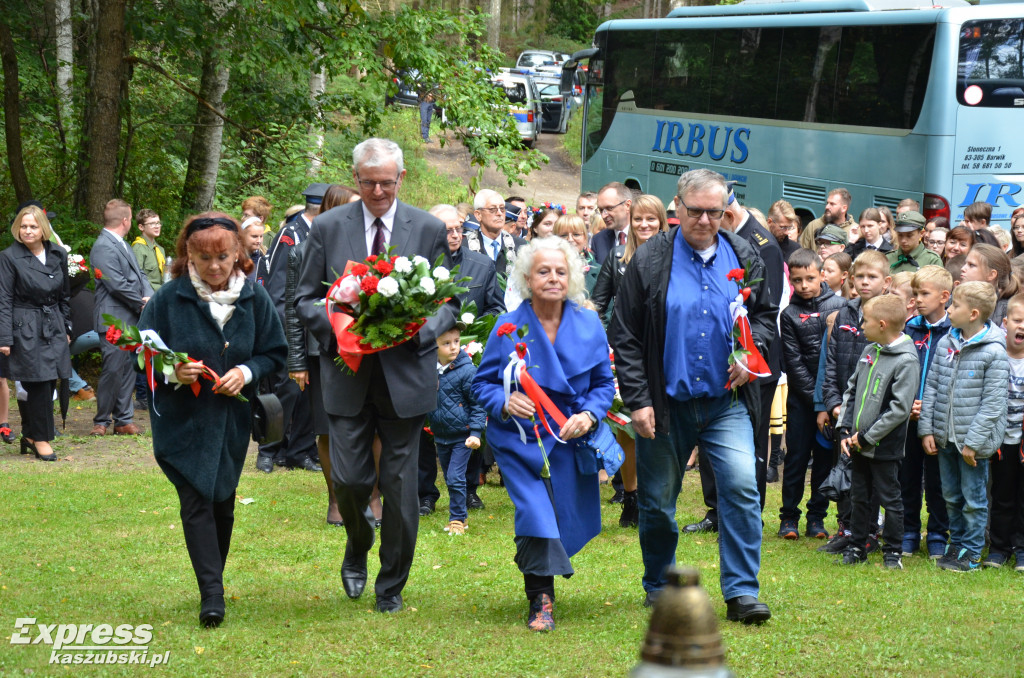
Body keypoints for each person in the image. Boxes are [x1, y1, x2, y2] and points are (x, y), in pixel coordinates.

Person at [294, 137, 454, 614]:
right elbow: (303, 298)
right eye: (368, 182)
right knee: (348, 480)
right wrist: (349, 329)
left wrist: (415, 330)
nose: (378, 191)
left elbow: (450, 302)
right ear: (356, 178)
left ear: (401, 178)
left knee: (402, 489)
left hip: (406, 376)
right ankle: (356, 544)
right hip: (346, 374)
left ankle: (391, 585)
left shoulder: (426, 228)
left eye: (387, 182)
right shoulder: (326, 227)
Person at [609, 169, 774, 623]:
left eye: (714, 212)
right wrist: (638, 400)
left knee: (741, 486)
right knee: (658, 503)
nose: (704, 220)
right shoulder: (650, 260)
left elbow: (762, 319)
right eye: (695, 211)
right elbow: (624, 334)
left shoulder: (744, 254)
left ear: (727, 210)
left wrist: (751, 353)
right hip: (664, 404)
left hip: (727, 402)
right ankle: (660, 583)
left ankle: (741, 593)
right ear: (676, 209)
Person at [139, 212, 286, 627]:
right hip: (181, 421)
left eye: (223, 256)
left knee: (222, 502)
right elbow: (142, 354)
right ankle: (212, 594)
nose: (216, 266)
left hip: (230, 422)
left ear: (238, 252)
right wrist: (172, 371)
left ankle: (212, 579)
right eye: (205, 259)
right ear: (189, 255)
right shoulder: (169, 300)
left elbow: (274, 352)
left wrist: (246, 372)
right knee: (196, 500)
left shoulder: (254, 298)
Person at [471, 237, 614, 632]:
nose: (553, 278)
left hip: (569, 437)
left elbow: (604, 384)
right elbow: (481, 384)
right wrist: (504, 402)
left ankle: (540, 580)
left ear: (572, 278)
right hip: (520, 440)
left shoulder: (589, 323)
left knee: (563, 516)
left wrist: (590, 414)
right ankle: (541, 600)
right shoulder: (508, 325)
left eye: (561, 271)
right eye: (543, 271)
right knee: (535, 515)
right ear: (527, 278)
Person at [285, 183, 362, 526]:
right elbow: (293, 309)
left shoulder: (370, 246)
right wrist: (298, 361)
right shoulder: (302, 251)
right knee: (328, 429)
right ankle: (335, 500)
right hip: (324, 351)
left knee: (369, 426)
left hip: (367, 348)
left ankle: (370, 496)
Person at [920, 281, 1009, 572]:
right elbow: (931, 386)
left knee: (973, 499)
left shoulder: (995, 351)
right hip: (945, 438)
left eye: (954, 305)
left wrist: (974, 441)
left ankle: (971, 552)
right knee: (951, 496)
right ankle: (955, 545)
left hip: (972, 445)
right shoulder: (947, 341)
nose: (949, 309)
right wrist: (927, 429)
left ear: (972, 314)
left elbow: (993, 403)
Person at [592, 195, 669, 528]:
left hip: (665, 355)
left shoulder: (674, 258)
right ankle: (632, 497)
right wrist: (603, 344)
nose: (645, 225)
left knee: (663, 425)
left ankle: (661, 495)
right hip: (625, 354)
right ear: (631, 222)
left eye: (652, 219)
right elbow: (597, 303)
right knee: (627, 426)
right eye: (639, 219)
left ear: (662, 222)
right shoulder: (617, 257)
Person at [817, 249, 892, 554]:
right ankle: (845, 528)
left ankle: (869, 531)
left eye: (871, 277)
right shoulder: (844, 314)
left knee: (869, 475)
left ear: (885, 282)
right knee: (844, 468)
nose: (864, 282)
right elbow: (832, 364)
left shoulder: (890, 316)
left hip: (873, 412)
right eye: (859, 276)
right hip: (844, 409)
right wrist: (833, 403)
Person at [836, 294, 919, 569]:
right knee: (859, 496)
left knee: (890, 498)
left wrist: (867, 436)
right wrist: (846, 429)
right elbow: (851, 389)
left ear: (882, 324)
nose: (861, 326)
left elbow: (899, 409)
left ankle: (892, 552)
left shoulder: (906, 360)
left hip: (884, 445)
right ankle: (857, 546)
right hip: (858, 441)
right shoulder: (870, 351)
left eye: (866, 321)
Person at [255, 183, 327, 474]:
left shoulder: (320, 234)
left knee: (311, 396)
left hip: (317, 327)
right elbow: (280, 289)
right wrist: (285, 332)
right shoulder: (292, 234)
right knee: (287, 391)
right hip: (293, 325)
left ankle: (300, 450)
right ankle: (268, 450)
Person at [778, 248, 848, 540]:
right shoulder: (790, 314)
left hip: (833, 403)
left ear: (822, 274)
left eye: (810, 278)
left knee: (824, 460)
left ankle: (816, 518)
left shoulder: (841, 306)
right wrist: (815, 400)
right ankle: (788, 518)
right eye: (797, 280)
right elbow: (793, 364)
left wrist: (829, 403)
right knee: (795, 459)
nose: (804, 285)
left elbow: (839, 357)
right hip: (800, 401)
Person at [0, 206, 72, 461]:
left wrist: (67, 327)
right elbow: (4, 299)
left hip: (53, 323)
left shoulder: (58, 253)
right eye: (23, 226)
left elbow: (64, 294)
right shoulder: (9, 257)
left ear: (44, 229)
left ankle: (30, 435)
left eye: (33, 226)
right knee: (38, 381)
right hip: (25, 324)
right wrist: (4, 338)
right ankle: (41, 438)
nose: (28, 231)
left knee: (50, 379)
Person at [90, 199, 154, 437]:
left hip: (130, 315)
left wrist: (150, 297)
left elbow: (141, 275)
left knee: (128, 368)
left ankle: (123, 420)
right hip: (112, 317)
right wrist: (142, 303)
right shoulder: (103, 246)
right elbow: (116, 284)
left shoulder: (124, 244)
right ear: (126, 221)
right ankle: (101, 420)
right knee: (113, 368)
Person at [902, 265, 953, 559]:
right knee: (906, 478)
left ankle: (937, 533)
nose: (918, 299)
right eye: (915, 293)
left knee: (937, 481)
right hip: (908, 419)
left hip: (939, 421)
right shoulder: (909, 328)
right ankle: (908, 531)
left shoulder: (953, 332)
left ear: (944, 296)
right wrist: (907, 403)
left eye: (925, 293)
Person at [427, 322, 485, 536]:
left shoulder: (468, 371)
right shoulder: (429, 371)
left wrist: (476, 433)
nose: (453, 347)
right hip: (440, 436)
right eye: (446, 343)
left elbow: (478, 404)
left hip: (463, 435)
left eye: (457, 342)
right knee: (451, 477)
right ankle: (460, 517)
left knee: (454, 477)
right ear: (433, 346)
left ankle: (457, 520)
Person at [985, 293, 1024, 569]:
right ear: (1006, 322)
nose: (1023, 327)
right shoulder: (995, 355)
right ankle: (999, 548)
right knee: (1002, 495)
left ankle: (1022, 548)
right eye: (1019, 320)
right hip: (1000, 441)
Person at [430, 204, 504, 316]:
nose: (456, 235)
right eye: (448, 230)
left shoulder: (482, 265)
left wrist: (471, 326)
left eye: (458, 228)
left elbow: (497, 309)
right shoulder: (420, 263)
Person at [462, 189, 526, 278]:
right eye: (492, 209)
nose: (499, 213)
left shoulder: (520, 246)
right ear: (478, 215)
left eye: (502, 209)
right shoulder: (465, 248)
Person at [961, 243, 1020, 326]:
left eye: (971, 265)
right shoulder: (957, 297)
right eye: (965, 263)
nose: (963, 268)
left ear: (991, 275)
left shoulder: (1007, 309)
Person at [553, 214, 598, 296]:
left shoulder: (599, 271)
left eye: (576, 234)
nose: (570, 239)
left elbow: (608, 308)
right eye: (563, 235)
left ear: (585, 238)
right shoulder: (545, 269)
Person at [591, 182, 633, 265]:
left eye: (609, 208)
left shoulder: (644, 236)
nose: (604, 215)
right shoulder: (598, 240)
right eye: (601, 210)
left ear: (627, 205)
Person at [132, 209, 166, 292]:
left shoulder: (160, 249)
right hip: (147, 297)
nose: (157, 226)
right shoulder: (138, 249)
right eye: (152, 224)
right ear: (141, 227)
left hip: (161, 294)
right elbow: (135, 280)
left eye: (158, 223)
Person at [241, 216, 265, 281]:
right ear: (243, 235)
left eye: (261, 236)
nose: (259, 241)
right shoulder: (235, 259)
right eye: (254, 236)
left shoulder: (264, 258)